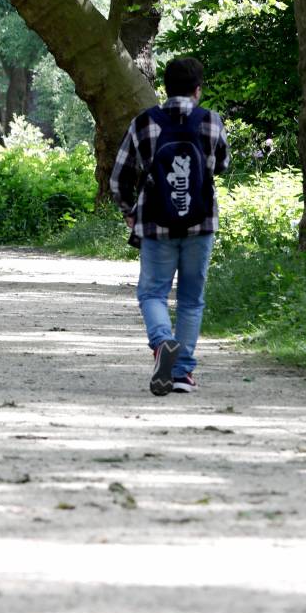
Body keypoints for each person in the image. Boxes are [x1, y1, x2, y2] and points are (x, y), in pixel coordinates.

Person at [109, 55, 230, 395]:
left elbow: (119, 177)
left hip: (156, 223)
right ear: (197, 90)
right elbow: (222, 165)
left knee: (152, 292)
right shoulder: (212, 121)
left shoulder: (144, 122)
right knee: (192, 299)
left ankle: (162, 342)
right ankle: (182, 373)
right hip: (201, 223)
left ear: (164, 88)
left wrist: (129, 211)